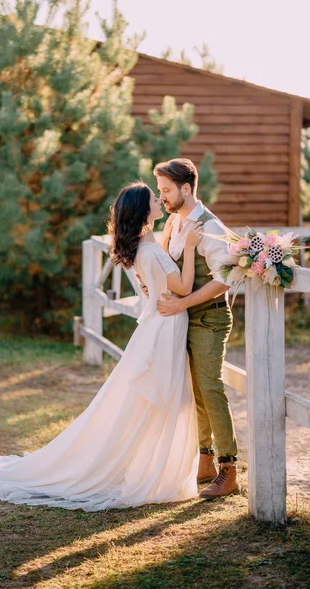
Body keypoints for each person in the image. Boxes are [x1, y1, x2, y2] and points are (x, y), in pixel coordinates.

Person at [0, 182, 202, 511]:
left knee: (155, 400)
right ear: (142, 209)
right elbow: (184, 286)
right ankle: (152, 468)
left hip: (160, 326)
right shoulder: (148, 251)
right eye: (153, 197)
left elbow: (157, 277)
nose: (159, 200)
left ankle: (153, 464)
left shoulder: (144, 244)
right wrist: (190, 247)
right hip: (165, 326)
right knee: (161, 399)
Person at [139, 158, 239, 499]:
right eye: (160, 191)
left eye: (167, 190)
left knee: (210, 388)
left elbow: (226, 277)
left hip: (209, 317)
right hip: (182, 319)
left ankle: (229, 469)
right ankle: (206, 461)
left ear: (186, 188)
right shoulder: (174, 221)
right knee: (193, 391)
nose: (162, 197)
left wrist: (182, 303)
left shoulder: (209, 227)